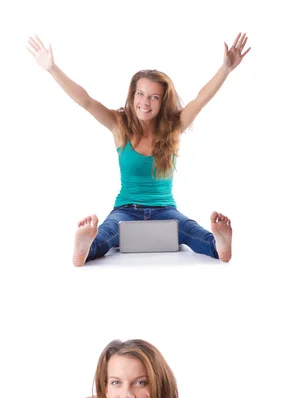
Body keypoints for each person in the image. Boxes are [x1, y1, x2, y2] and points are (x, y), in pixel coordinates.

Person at [27, 34, 251, 266]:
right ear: (132, 94)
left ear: (163, 101)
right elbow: (86, 101)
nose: (145, 102)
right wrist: (52, 68)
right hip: (125, 210)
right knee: (106, 233)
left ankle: (220, 247)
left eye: (154, 97)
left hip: (165, 209)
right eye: (141, 94)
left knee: (190, 230)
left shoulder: (174, 127)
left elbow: (200, 99)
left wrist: (226, 69)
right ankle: (85, 249)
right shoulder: (119, 125)